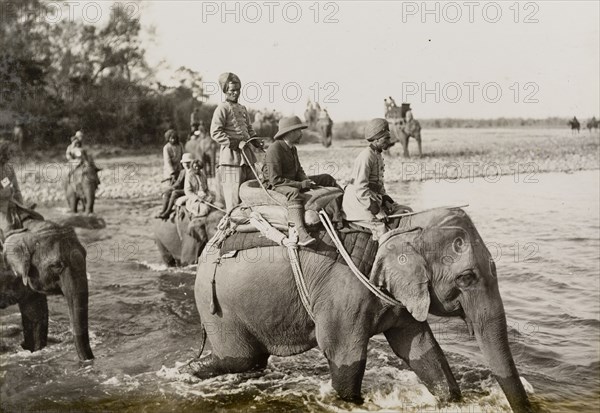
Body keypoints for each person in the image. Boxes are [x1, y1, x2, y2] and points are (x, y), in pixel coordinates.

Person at [263, 116, 338, 246]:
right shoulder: (274, 149)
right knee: (294, 193)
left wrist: (306, 179)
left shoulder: (292, 148)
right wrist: (300, 184)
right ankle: (301, 232)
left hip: (290, 180)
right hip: (275, 184)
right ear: (289, 133)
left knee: (327, 178)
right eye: (298, 130)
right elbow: (275, 180)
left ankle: (341, 211)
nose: (301, 134)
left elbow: (298, 170)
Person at [342, 118, 411, 241]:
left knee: (406, 211)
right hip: (357, 201)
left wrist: (385, 199)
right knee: (382, 229)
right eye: (386, 138)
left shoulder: (377, 154)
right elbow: (360, 188)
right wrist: (377, 211)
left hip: (371, 196)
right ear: (377, 139)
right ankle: (382, 258)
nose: (389, 142)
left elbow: (377, 183)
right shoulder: (366, 156)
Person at [210, 72, 262, 211]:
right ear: (225, 91)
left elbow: (249, 129)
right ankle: (233, 225)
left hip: (247, 157)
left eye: (238, 90)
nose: (236, 93)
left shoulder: (243, 109)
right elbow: (215, 132)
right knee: (233, 198)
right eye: (232, 90)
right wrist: (235, 143)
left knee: (252, 192)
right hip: (231, 159)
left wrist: (256, 142)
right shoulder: (222, 108)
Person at [156, 153, 193, 219]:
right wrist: (171, 188)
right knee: (168, 192)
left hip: (190, 190)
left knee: (175, 193)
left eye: (188, 163)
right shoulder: (183, 172)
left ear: (192, 163)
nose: (186, 165)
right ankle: (163, 211)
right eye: (185, 163)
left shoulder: (194, 172)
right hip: (183, 190)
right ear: (182, 164)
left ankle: (168, 211)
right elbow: (178, 183)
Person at [0, 141, 24, 242]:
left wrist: (22, 205)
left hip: (11, 204)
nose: (10, 155)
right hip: (1, 207)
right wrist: (8, 191)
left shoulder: (9, 168)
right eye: (8, 153)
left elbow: (16, 188)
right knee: (7, 230)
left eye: (11, 153)